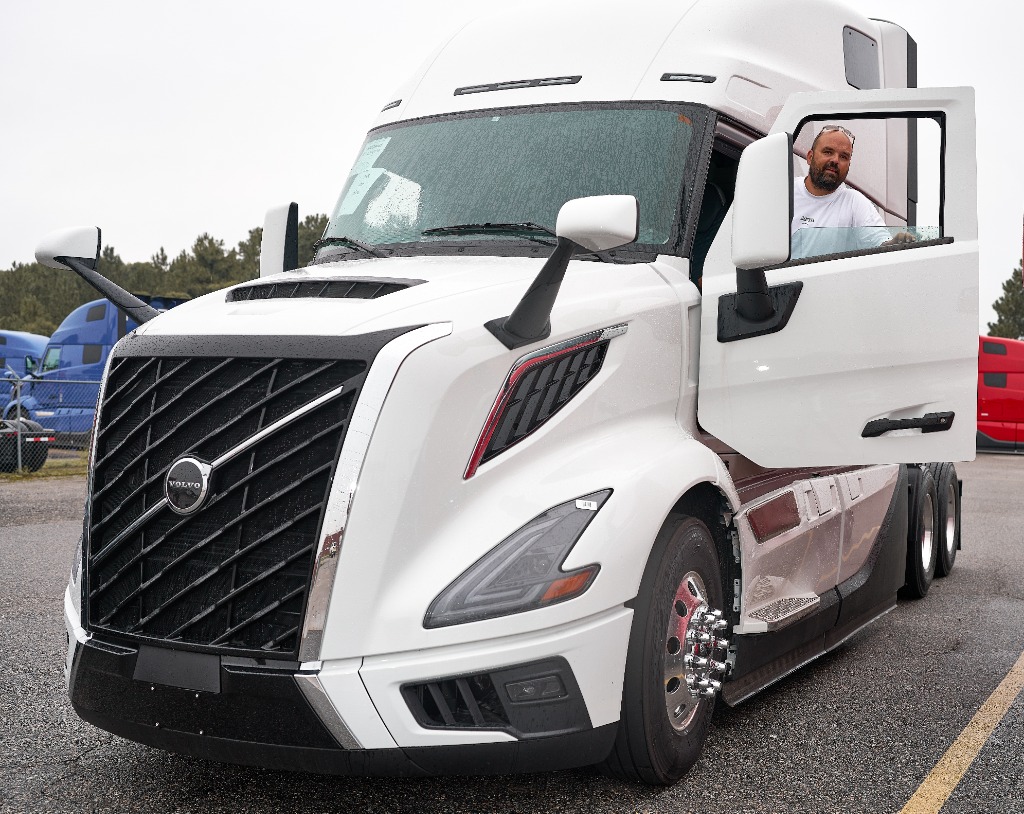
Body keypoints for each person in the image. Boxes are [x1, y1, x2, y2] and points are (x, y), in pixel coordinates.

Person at [791, 124, 914, 259]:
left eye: (843, 157)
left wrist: (896, 244)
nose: (835, 160)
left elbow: (881, 244)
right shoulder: (784, 191)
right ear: (810, 157)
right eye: (828, 152)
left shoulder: (854, 202)